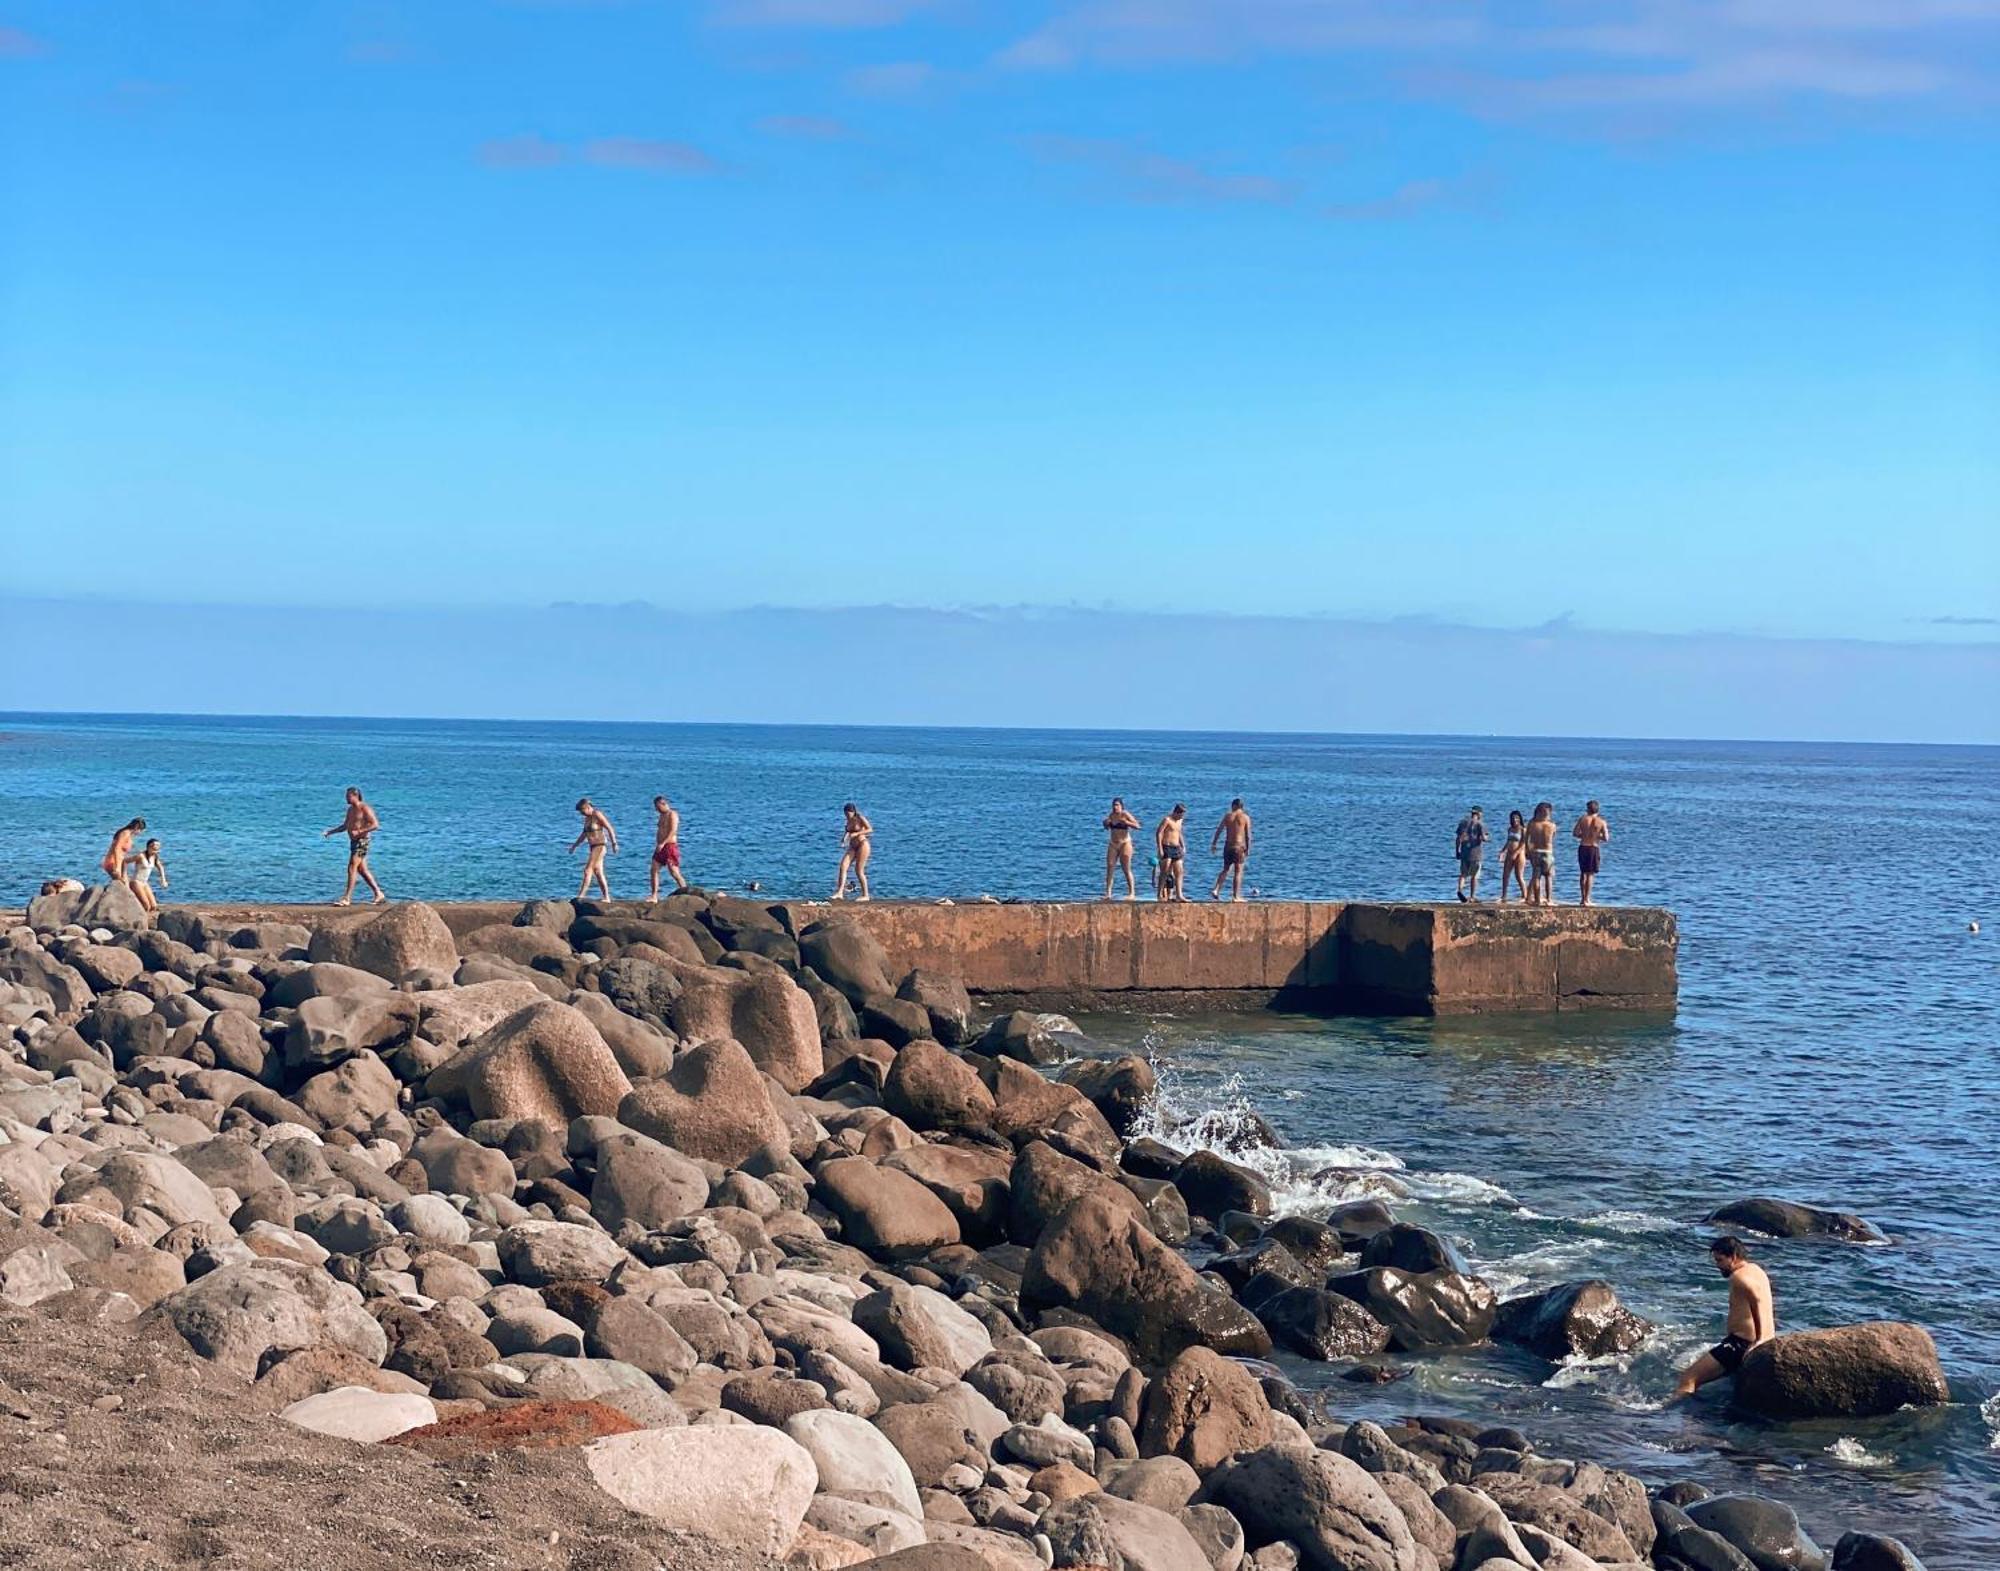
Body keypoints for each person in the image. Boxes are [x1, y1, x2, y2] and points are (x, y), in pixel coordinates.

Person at [1672, 1236, 1775, 1401]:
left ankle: (1677, 1421)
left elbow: (1756, 1300)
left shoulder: (1739, 1277)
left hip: (1739, 1345)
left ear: (1733, 1257)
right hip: (1750, 1341)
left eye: (1720, 1260)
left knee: (1688, 1379)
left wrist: (1759, 1340)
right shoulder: (1756, 1269)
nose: (1717, 1265)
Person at [322, 789, 384, 906]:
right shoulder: (350, 810)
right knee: (362, 870)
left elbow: (375, 824)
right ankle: (378, 893)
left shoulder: (365, 808)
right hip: (354, 842)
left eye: (348, 796)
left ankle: (347, 898)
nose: (346, 799)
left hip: (362, 841)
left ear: (355, 796)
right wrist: (331, 832)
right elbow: (345, 826)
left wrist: (360, 831)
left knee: (352, 867)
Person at [569, 798, 617, 900]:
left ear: (587, 807)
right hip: (593, 846)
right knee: (598, 872)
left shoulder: (597, 814)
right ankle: (607, 897)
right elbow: (584, 835)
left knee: (587, 870)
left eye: (582, 811)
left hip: (600, 845)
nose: (582, 814)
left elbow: (609, 828)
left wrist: (614, 843)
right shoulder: (587, 819)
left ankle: (581, 895)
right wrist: (574, 846)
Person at [1210, 798, 1253, 901]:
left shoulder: (1228, 816)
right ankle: (1236, 896)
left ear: (1234, 806)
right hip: (1238, 847)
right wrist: (1248, 848)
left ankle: (1216, 889)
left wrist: (1214, 844)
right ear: (1241, 807)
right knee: (1238, 871)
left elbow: (1219, 830)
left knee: (1226, 869)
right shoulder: (1245, 817)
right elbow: (1248, 835)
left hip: (1228, 846)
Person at [1573, 799, 1611, 907]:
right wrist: (1596, 836)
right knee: (1590, 874)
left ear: (1587, 809)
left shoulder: (1582, 819)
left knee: (1583, 873)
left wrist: (1584, 835)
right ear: (1597, 809)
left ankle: (1582, 899)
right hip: (1593, 847)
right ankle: (1587, 899)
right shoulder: (1601, 822)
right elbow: (1606, 838)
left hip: (1583, 846)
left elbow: (1575, 833)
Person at [648, 795, 688, 899]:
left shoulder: (672, 814)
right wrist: (659, 844)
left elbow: (673, 831)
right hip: (660, 847)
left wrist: (663, 843)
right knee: (654, 869)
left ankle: (685, 891)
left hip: (669, 846)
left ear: (663, 804)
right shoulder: (661, 816)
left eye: (657, 807)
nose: (656, 809)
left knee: (674, 871)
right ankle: (654, 895)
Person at [1102, 798, 1142, 901]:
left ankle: (1132, 893)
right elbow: (1107, 827)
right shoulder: (1111, 815)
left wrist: (1127, 822)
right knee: (1110, 867)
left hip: (1125, 843)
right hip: (1113, 843)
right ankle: (1108, 893)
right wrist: (1105, 823)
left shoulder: (1125, 814)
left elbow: (1138, 826)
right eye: (1114, 805)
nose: (1115, 807)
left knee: (1126, 868)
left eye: (1117, 805)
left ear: (1121, 806)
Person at [833, 803, 873, 901]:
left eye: (849, 813)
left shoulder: (860, 818)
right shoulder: (848, 821)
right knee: (843, 866)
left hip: (862, 845)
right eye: (845, 814)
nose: (847, 816)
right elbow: (847, 831)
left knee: (858, 870)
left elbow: (870, 829)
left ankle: (865, 895)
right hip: (852, 847)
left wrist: (857, 833)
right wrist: (843, 839)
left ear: (853, 812)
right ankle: (840, 892)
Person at [1523, 802, 1558, 905]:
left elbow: (1526, 838)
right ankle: (1549, 899)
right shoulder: (1552, 825)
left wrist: (1527, 850)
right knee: (1548, 877)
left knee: (1536, 876)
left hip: (1535, 852)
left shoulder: (1532, 824)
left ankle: (1537, 900)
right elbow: (1553, 838)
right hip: (1547, 852)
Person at [123, 837, 169, 913]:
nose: (156, 851)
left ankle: (147, 919)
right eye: (154, 849)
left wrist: (163, 880)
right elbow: (125, 862)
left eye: (157, 850)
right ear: (148, 847)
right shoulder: (141, 856)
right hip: (136, 882)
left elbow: (160, 867)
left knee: (154, 906)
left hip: (145, 883)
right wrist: (125, 876)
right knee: (146, 905)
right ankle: (141, 919)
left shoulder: (154, 857)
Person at [1453, 806, 1488, 903]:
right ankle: (1472, 896)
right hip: (1475, 853)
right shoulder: (1480, 824)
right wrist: (1486, 838)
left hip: (1464, 852)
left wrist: (1457, 851)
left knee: (1463, 874)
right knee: (1474, 876)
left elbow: (1458, 839)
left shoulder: (1463, 823)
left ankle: (1460, 890)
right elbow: (1484, 838)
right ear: (1479, 814)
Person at [1155, 804, 1188, 901]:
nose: (1182, 817)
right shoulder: (1167, 820)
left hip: (1176, 847)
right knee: (1164, 871)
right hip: (1167, 847)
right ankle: (1160, 894)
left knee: (1179, 871)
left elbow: (1179, 832)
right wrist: (1160, 848)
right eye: (1181, 814)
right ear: (1176, 812)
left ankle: (1179, 894)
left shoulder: (1180, 821)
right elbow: (1159, 833)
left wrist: (1183, 845)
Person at [101, 818, 145, 889]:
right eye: (141, 830)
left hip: (119, 862)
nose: (140, 833)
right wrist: (117, 868)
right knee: (123, 885)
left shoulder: (129, 835)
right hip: (113, 862)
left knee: (126, 884)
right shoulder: (125, 833)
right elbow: (116, 849)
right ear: (137, 827)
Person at [1497, 810, 1530, 904]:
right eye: (1513, 818)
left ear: (1520, 819)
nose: (1515, 820)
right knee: (1505, 875)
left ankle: (1525, 895)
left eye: (1516, 818)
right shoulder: (1510, 829)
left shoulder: (1523, 829)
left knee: (1519, 876)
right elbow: (1508, 842)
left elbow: (1523, 843)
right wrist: (1502, 851)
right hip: (1510, 853)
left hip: (1519, 854)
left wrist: (1516, 852)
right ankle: (1503, 896)